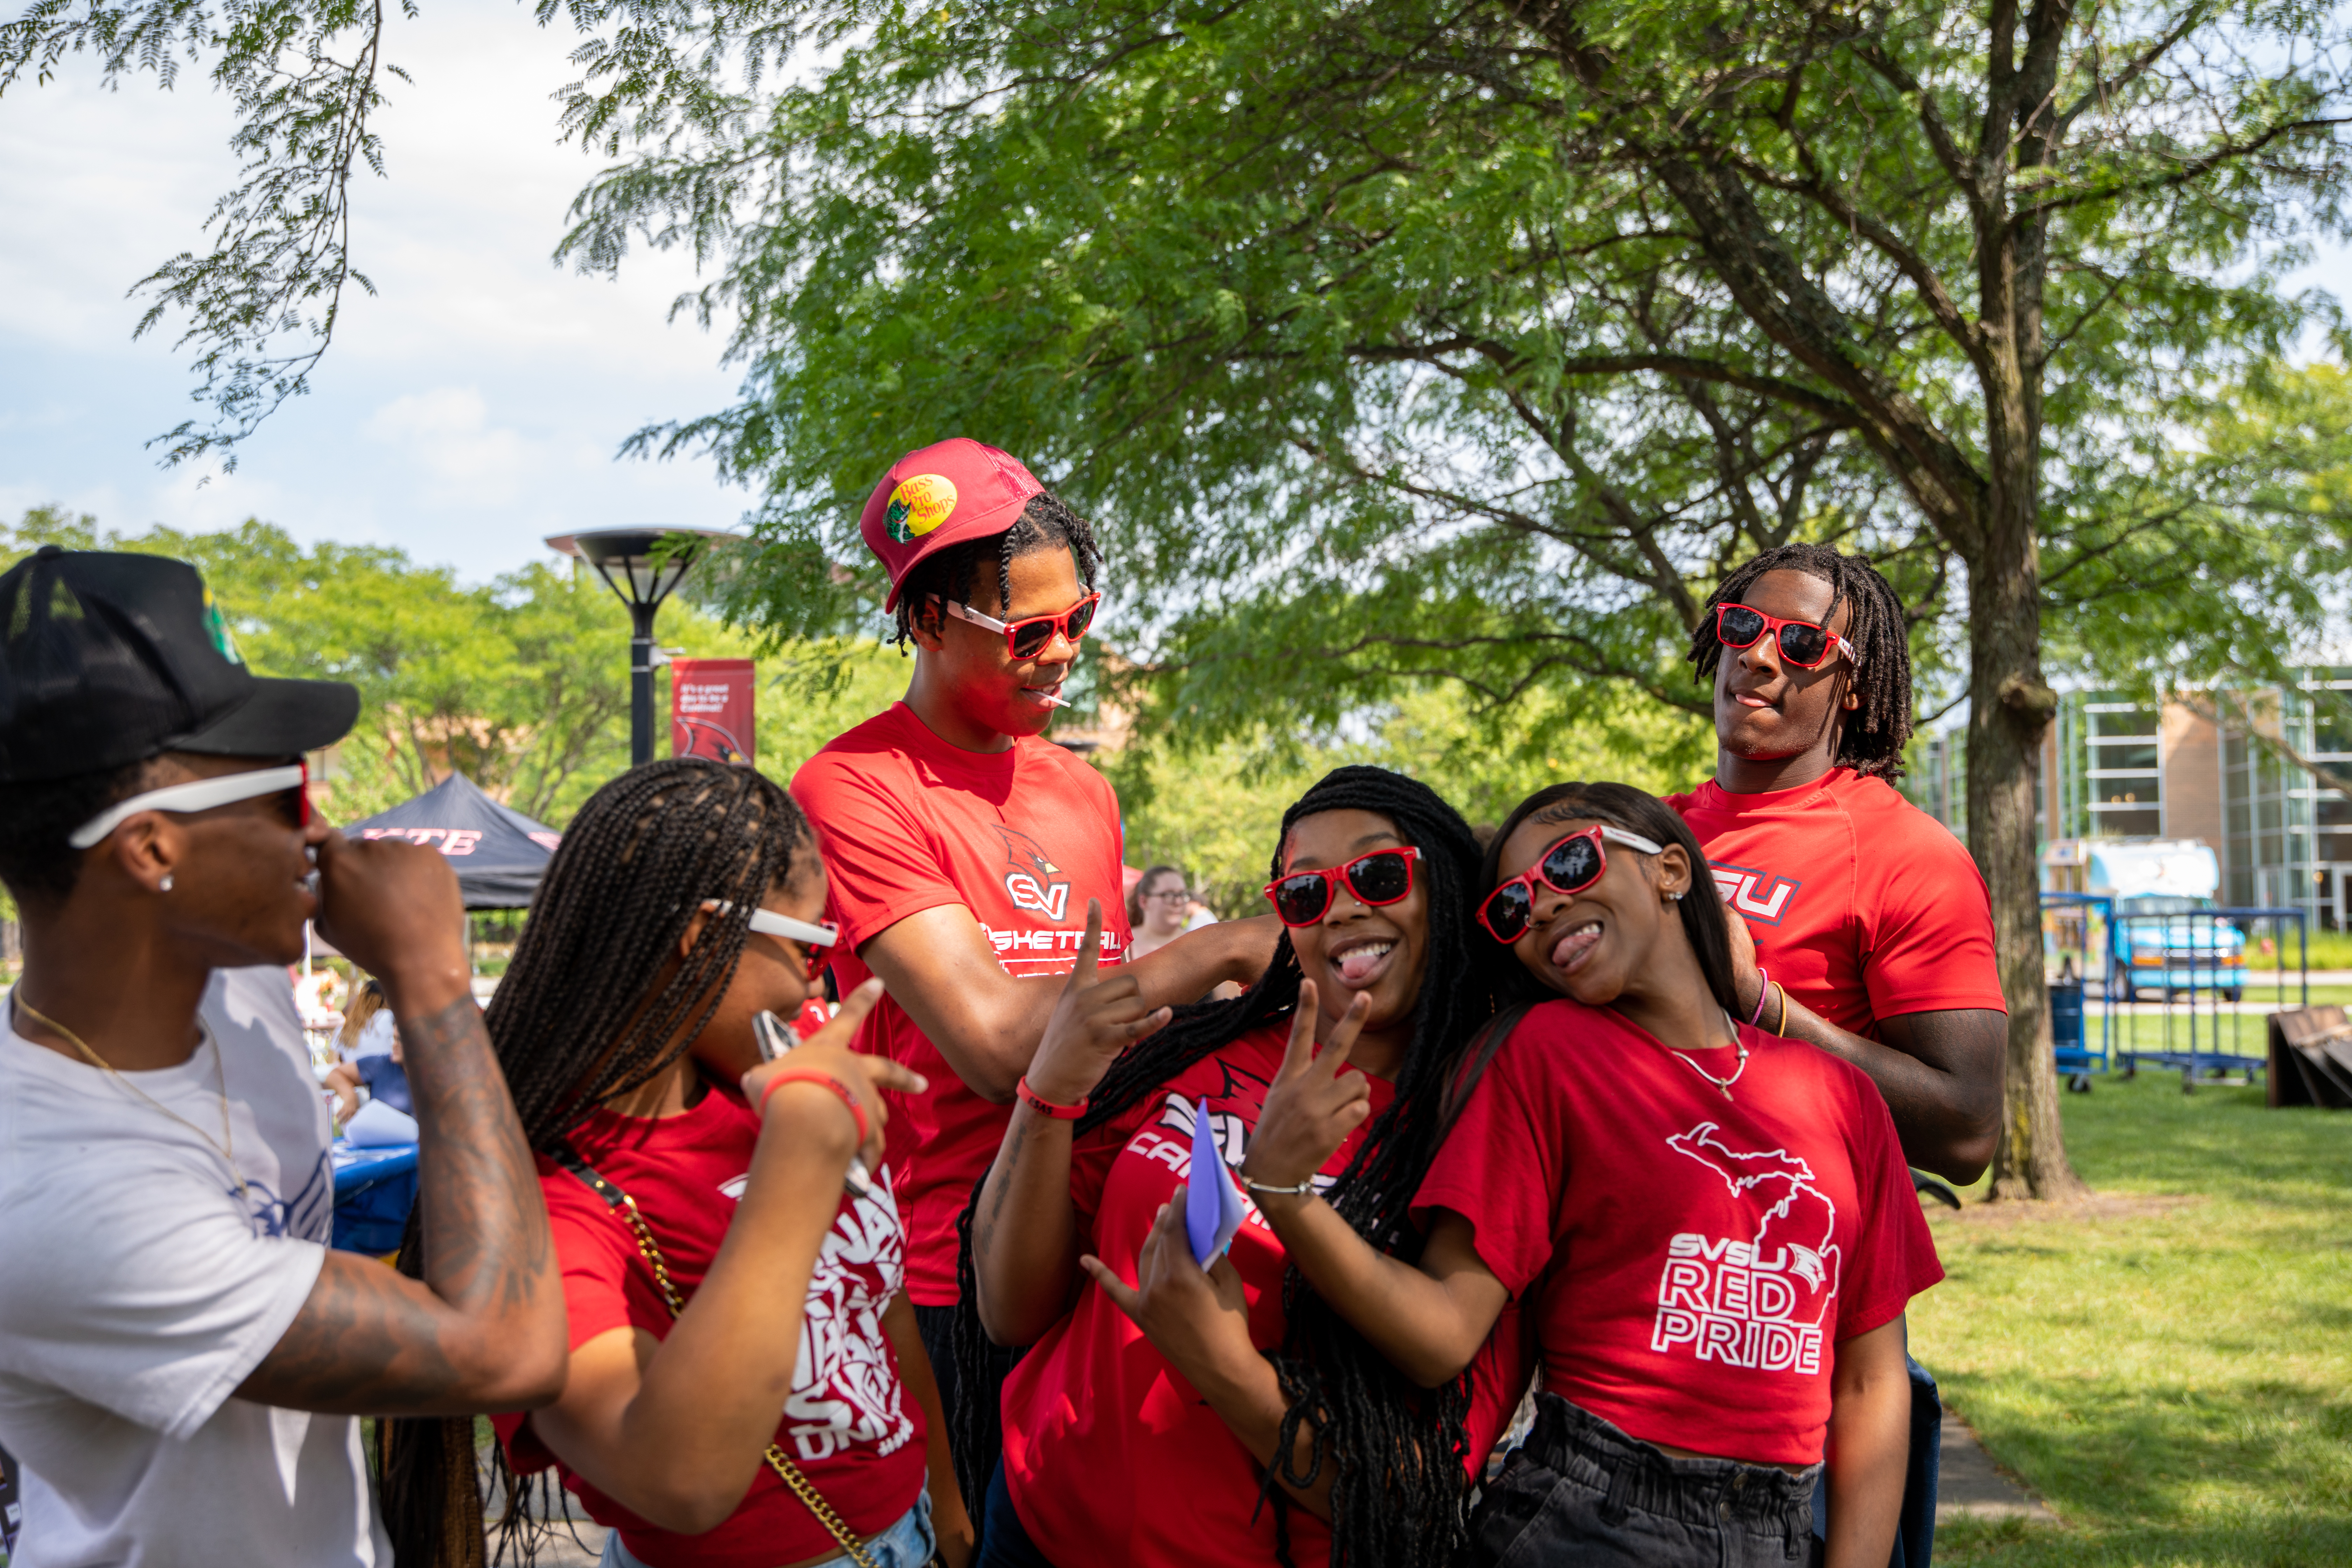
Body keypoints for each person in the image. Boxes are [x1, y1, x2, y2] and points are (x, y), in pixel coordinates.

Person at [0, 547, 566, 1567]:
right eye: (282, 795)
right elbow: (504, 1350)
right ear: (152, 849)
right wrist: (431, 980)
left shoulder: (238, 985)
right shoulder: (53, 1187)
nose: (323, 830)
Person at [1241, 782, 1943, 1568]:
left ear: (1672, 868)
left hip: (1779, 1529)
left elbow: (1871, 1380)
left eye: (1568, 863)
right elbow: (1441, 1331)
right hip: (1594, 1519)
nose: (1537, 906)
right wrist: (1285, 1197)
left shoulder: (1842, 1096)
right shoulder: (1542, 1054)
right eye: (1511, 906)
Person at [791, 439, 1274, 1451]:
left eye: (1081, 620)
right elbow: (1003, 1045)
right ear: (926, 619)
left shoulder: (1084, 790)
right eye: (1029, 630)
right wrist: (1218, 951)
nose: (1063, 651)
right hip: (961, 1273)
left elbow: (1114, 1027)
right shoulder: (855, 787)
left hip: (1110, 1246)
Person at [383, 757, 967, 1568]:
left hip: (908, 1534)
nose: (815, 987)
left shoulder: (764, 1095)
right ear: (702, 939)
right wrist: (797, 1169)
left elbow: (878, 1306)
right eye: (808, 946)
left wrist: (945, 1505)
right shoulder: (545, 1198)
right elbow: (677, 1481)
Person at [962, 766, 1520, 1568]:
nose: (1345, 907)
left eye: (1379, 873)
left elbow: (1408, 1492)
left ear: (1448, 889)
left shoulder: (1482, 1123)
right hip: (1037, 1520)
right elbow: (1012, 1312)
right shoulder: (1205, 1050)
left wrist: (1225, 1369)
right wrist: (1048, 1088)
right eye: (1305, 894)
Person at [1667, 544, 2006, 1183]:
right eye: (1743, 624)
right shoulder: (1654, 831)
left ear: (1854, 687)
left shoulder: (1910, 857)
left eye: (1801, 643)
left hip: (1786, 1254)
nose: (1759, 655)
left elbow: (1968, 1131)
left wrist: (1758, 1001)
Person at [324, 976, 411, 1121]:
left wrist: (349, 1095)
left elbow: (338, 1061)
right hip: (385, 1086)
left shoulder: (343, 1028)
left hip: (358, 1095)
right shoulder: (389, 1018)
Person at [1125, 864, 1194, 961]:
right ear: (1144, 901)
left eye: (1182, 895)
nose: (1178, 902)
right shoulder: (1123, 945)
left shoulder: (1197, 945)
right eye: (1169, 895)